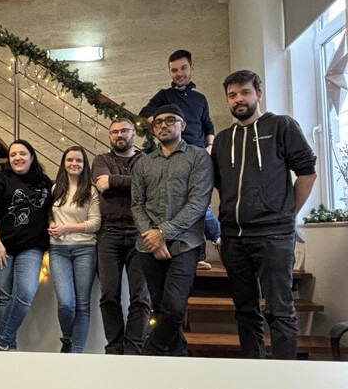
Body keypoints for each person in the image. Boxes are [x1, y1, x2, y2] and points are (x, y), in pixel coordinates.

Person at [211, 70, 317, 359]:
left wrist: (287, 212)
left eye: (245, 92)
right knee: (245, 310)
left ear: (258, 94)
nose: (239, 99)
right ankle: (253, 367)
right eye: (232, 95)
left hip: (274, 237)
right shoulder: (223, 140)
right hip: (234, 238)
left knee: (279, 309)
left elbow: (307, 172)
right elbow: (221, 183)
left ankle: (283, 373)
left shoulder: (281, 126)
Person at [131, 104, 213, 356]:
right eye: (158, 122)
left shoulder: (198, 157)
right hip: (148, 246)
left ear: (182, 125)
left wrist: (163, 233)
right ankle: (179, 357)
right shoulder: (143, 162)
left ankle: (149, 353)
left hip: (185, 245)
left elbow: (198, 203)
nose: (163, 125)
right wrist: (152, 236)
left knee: (175, 308)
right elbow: (137, 204)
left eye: (170, 120)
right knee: (160, 308)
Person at [139, 49, 220, 265]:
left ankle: (210, 244)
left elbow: (208, 125)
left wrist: (209, 146)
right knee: (184, 204)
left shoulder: (200, 99)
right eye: (174, 70)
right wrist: (164, 125)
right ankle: (208, 245)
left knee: (200, 204)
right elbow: (144, 115)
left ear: (191, 68)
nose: (179, 73)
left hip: (198, 155)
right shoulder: (164, 95)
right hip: (175, 155)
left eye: (183, 68)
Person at [0, 140, 52, 351]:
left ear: (32, 156)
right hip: (1, 247)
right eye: (13, 155)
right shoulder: (0, 181)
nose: (17, 158)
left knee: (25, 294)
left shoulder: (44, 182)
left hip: (31, 247)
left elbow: (50, 210)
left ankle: (0, 341)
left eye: (22, 153)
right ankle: (7, 350)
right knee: (4, 297)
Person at [91, 118, 149, 355]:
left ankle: (134, 349)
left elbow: (149, 185)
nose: (119, 135)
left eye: (124, 130)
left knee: (140, 296)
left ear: (133, 133)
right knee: (109, 295)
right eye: (114, 132)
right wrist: (134, 184)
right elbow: (101, 185)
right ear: (109, 136)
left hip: (140, 233)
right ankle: (114, 348)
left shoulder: (145, 160)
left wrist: (114, 181)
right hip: (109, 234)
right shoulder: (101, 160)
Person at [48, 146, 101, 353]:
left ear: (84, 164)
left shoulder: (91, 190)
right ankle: (67, 338)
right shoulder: (55, 189)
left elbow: (95, 223)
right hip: (58, 250)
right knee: (66, 303)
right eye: (70, 160)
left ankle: (77, 352)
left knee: (82, 304)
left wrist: (67, 228)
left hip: (85, 249)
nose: (74, 164)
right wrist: (52, 225)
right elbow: (50, 214)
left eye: (79, 160)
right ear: (63, 163)